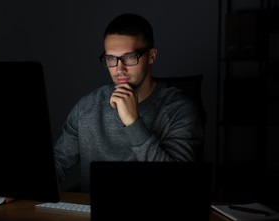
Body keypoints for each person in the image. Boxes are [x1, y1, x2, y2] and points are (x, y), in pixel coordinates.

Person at [53, 13, 205, 193]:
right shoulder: (86, 108)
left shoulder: (180, 110)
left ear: (151, 56)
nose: (119, 69)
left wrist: (133, 123)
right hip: (90, 216)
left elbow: (177, 184)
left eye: (130, 57)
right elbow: (57, 163)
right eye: (111, 58)